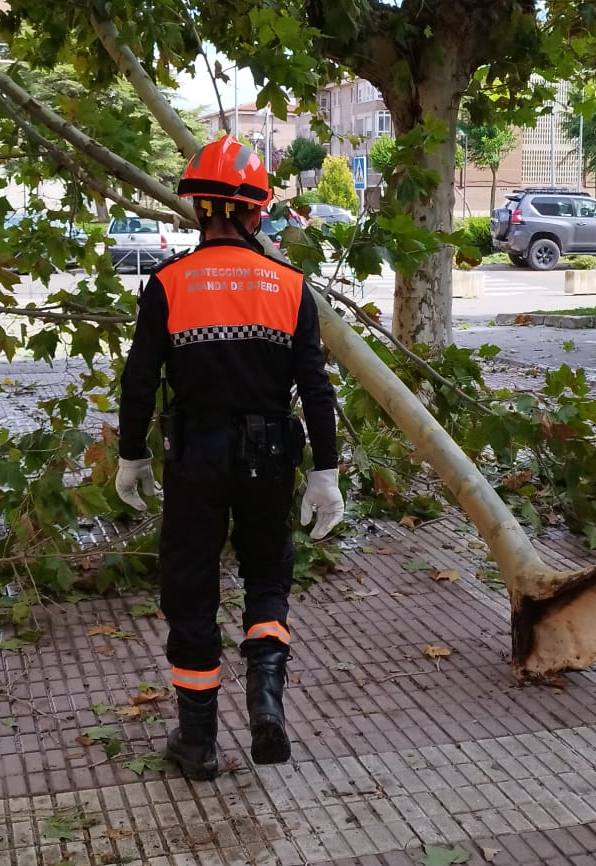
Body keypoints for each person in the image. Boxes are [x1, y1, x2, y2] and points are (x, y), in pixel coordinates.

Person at [114, 134, 343, 780]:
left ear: (198, 211)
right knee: (268, 578)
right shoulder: (289, 287)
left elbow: (139, 382)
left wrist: (131, 455)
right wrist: (325, 470)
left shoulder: (168, 284)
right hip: (269, 459)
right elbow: (315, 387)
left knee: (191, 592)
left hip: (195, 460)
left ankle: (199, 743)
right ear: (254, 212)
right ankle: (265, 700)